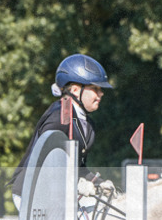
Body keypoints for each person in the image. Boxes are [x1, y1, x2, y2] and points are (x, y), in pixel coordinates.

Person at [10, 54, 115, 210]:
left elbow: (78, 167)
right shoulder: (59, 117)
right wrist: (77, 185)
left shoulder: (87, 124)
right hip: (32, 193)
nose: (101, 94)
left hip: (59, 194)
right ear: (75, 89)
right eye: (95, 88)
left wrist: (98, 183)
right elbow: (44, 163)